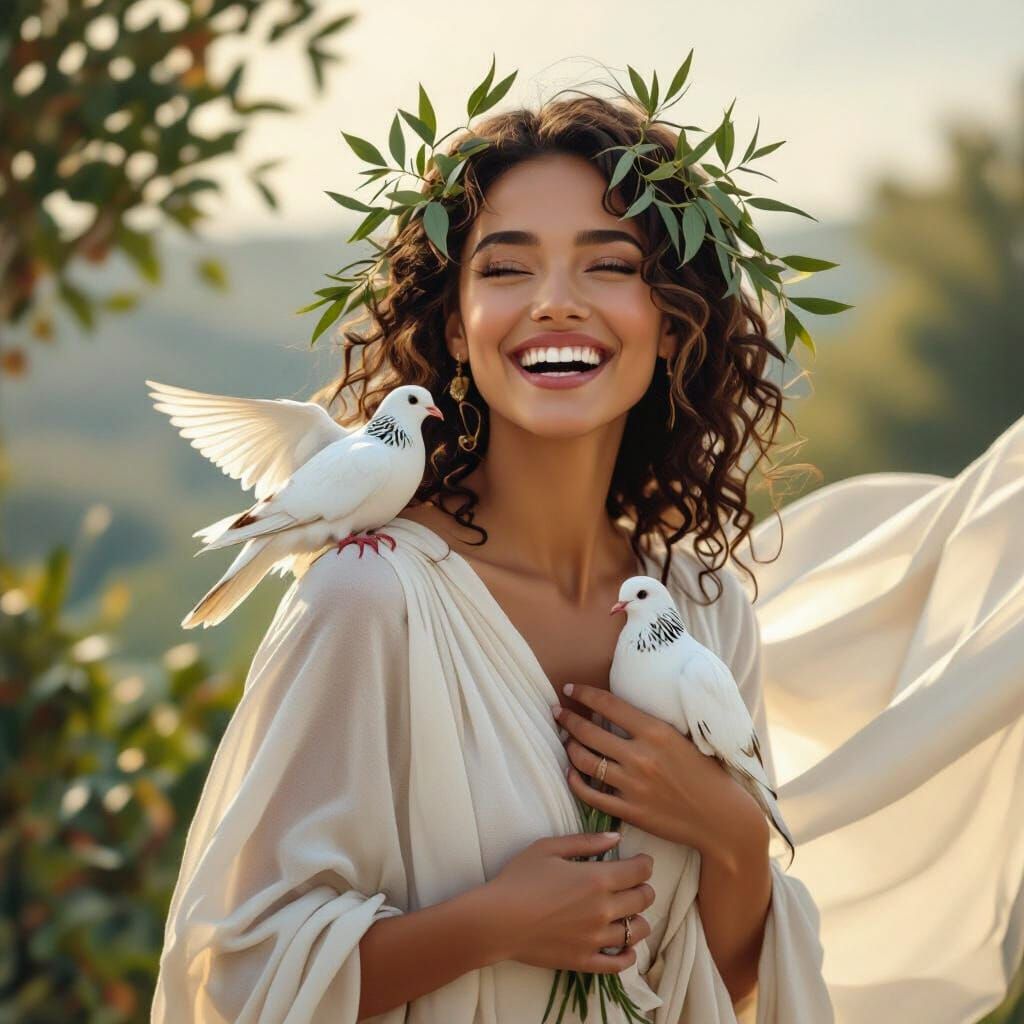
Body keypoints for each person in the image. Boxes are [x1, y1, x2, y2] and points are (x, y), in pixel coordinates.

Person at [151, 91, 1024, 1024]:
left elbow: (714, 989)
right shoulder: (371, 596)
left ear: (673, 319)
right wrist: (494, 922)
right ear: (456, 325)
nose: (556, 302)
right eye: (507, 268)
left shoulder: (702, 605)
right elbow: (237, 982)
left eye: (609, 266)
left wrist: (731, 835)